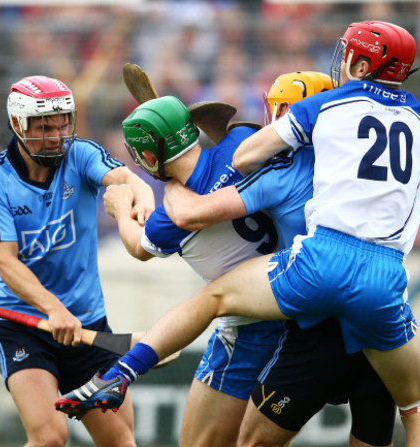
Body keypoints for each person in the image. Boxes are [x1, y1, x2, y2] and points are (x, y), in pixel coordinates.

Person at [56, 21, 420, 447]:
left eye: (282, 109)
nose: (273, 116)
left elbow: (209, 193)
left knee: (214, 305)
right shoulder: (417, 119)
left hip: (304, 296)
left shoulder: (314, 121)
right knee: (417, 410)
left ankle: (121, 372)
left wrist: (150, 193)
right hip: (383, 288)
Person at [163, 71, 396, 447]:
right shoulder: (361, 170)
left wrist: (173, 183)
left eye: (280, 111)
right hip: (378, 312)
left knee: (251, 441)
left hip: (311, 323)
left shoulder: (280, 174)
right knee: (416, 413)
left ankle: (134, 362)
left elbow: (191, 214)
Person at [58, 94, 285, 447]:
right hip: (297, 305)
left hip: (246, 332)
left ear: (148, 157)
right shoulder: (240, 146)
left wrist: (120, 208)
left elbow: (138, 247)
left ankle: (121, 375)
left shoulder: (168, 221)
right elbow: (229, 137)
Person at [0, 75, 155, 447]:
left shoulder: (81, 154)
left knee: (120, 441)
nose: (55, 135)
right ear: (17, 125)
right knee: (51, 437)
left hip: (89, 325)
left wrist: (144, 196)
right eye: (43, 127)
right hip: (24, 325)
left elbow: (126, 178)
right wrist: (53, 309)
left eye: (60, 124)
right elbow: (6, 262)